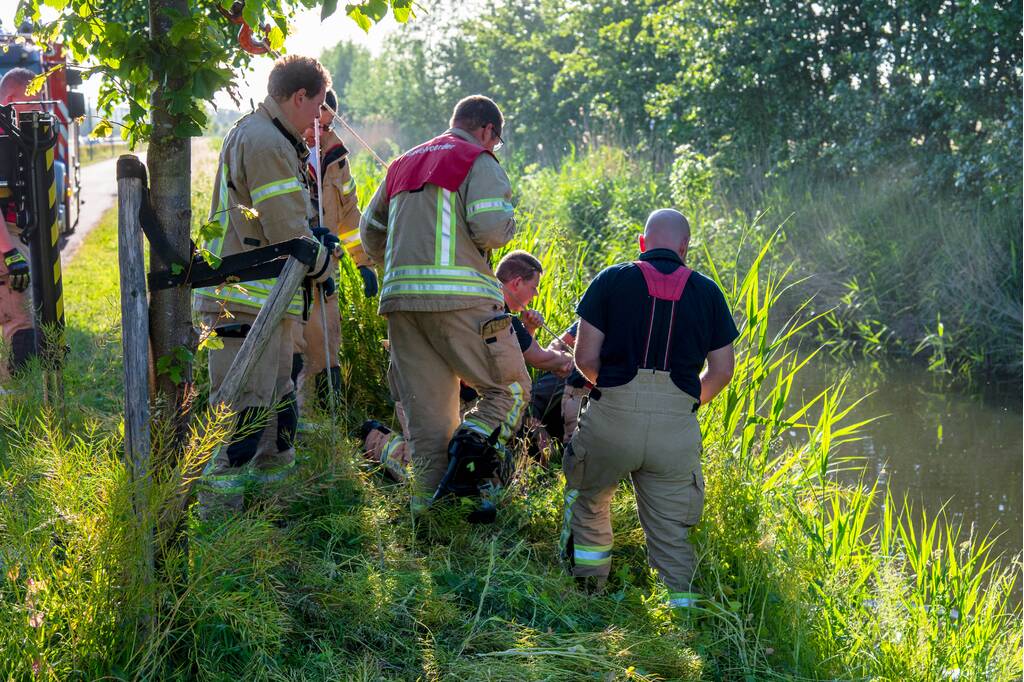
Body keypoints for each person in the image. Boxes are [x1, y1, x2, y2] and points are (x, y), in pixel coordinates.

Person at [560, 208, 738, 615]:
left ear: (642, 243)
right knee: (672, 532)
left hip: (611, 418)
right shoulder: (709, 292)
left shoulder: (610, 279)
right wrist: (686, 402)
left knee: (590, 502)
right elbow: (723, 370)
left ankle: (588, 596)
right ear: (685, 247)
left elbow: (584, 358)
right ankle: (684, 619)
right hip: (675, 430)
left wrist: (613, 388)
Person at [359, 94, 524, 517]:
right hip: (461, 300)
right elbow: (491, 229)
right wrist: (511, 222)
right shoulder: (477, 159)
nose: (494, 147)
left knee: (429, 424)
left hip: (401, 304)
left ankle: (432, 522)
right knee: (510, 390)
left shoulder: (402, 163)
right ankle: (472, 442)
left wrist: (395, 268)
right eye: (496, 141)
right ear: (487, 130)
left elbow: (369, 229)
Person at [192, 55, 336, 514]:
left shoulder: (265, 134)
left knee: (277, 414)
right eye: (317, 107)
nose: (318, 121)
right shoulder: (266, 142)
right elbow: (287, 233)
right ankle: (221, 523)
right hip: (243, 301)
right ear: (299, 97)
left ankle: (270, 513)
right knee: (243, 418)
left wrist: (312, 239)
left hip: (264, 303)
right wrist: (324, 260)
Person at [360, 250, 573, 482]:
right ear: (517, 283)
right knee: (429, 473)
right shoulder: (495, 316)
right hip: (426, 394)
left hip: (446, 397)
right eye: (534, 287)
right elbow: (540, 358)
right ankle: (377, 440)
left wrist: (529, 329)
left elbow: (513, 357)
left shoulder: (487, 305)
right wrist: (571, 363)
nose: (536, 294)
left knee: (458, 467)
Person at [298, 87, 377, 410]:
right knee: (299, 347)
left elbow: (349, 216)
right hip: (294, 268)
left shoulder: (336, 157)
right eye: (315, 124)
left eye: (327, 125)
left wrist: (364, 263)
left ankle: (329, 418)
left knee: (328, 341)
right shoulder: (285, 151)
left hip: (326, 268)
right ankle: (299, 421)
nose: (319, 132)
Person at [0, 68, 40, 377]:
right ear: (12, 98)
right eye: (34, 101)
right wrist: (10, 253)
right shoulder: (3, 137)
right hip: (6, 240)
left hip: (14, 236)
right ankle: (19, 397)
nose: (38, 110)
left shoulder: (10, 135)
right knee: (20, 326)